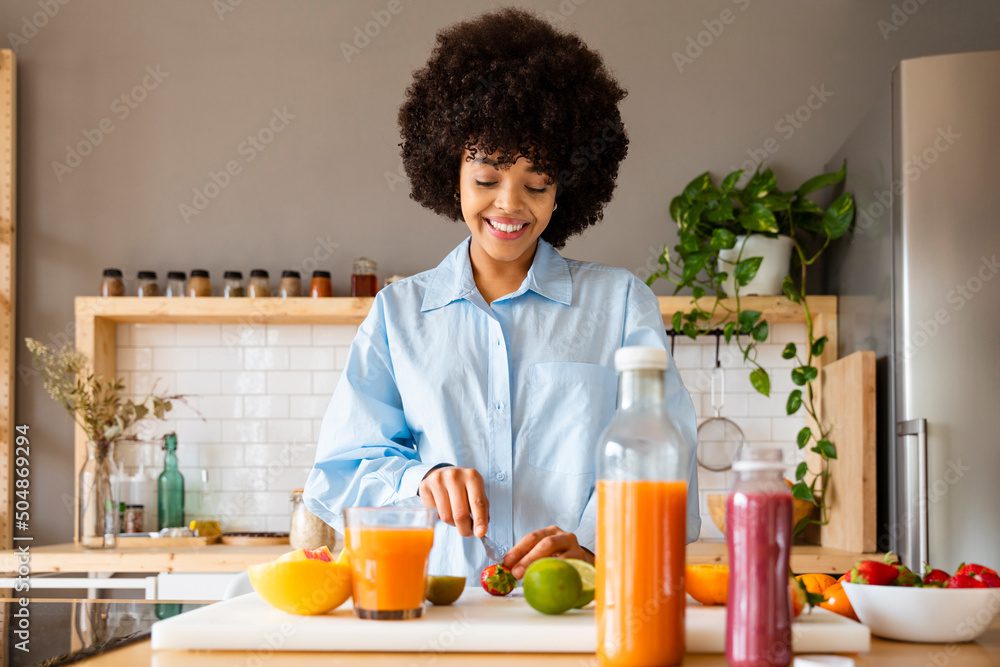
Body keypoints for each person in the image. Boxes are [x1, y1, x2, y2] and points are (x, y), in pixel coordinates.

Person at [303, 7, 700, 583]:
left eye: (536, 182)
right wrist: (422, 478)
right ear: (449, 175)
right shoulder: (398, 314)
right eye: (486, 179)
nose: (510, 204)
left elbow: (665, 450)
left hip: (578, 610)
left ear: (564, 189)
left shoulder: (619, 305)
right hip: (438, 612)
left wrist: (592, 546)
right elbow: (341, 468)